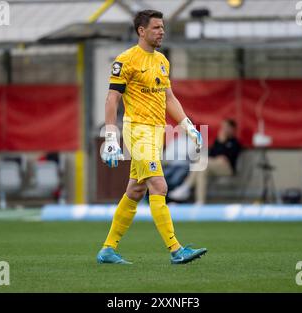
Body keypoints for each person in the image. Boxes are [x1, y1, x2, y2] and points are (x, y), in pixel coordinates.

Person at [96, 10, 207, 265]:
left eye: (163, 27)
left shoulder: (162, 61)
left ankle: (108, 249)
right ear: (141, 31)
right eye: (156, 27)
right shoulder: (126, 60)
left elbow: (169, 98)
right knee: (159, 186)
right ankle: (176, 249)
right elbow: (112, 98)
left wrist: (187, 125)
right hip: (138, 130)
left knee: (135, 190)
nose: (162, 32)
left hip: (157, 132)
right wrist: (111, 137)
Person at [168, 119, 242, 204]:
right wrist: (221, 143)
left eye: (226, 127)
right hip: (213, 165)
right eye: (223, 127)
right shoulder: (218, 141)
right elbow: (212, 154)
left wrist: (222, 150)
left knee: (201, 161)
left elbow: (230, 157)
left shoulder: (235, 142)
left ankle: (186, 187)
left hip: (227, 168)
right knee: (201, 169)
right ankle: (200, 201)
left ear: (232, 129)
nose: (224, 129)